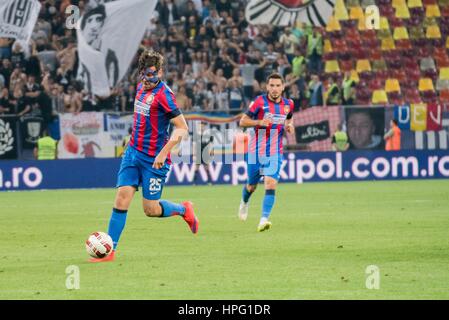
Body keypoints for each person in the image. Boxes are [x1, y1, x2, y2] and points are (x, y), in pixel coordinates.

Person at [89, 50, 199, 263]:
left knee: (150, 209)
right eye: (145, 74)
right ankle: (109, 251)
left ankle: (184, 209)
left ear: (160, 72)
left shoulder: (164, 95)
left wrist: (164, 151)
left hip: (154, 161)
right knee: (122, 197)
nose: (148, 79)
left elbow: (182, 128)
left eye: (153, 74)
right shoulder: (140, 88)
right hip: (133, 153)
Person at [238, 73, 294, 232]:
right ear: (267, 87)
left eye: (278, 86)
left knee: (270, 183)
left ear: (283, 87)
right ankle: (244, 202)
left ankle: (264, 219)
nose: (275, 89)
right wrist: (259, 122)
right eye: (272, 85)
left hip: (275, 150)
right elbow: (243, 121)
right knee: (251, 186)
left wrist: (290, 126)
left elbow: (289, 118)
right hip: (256, 150)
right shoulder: (259, 102)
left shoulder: (288, 104)